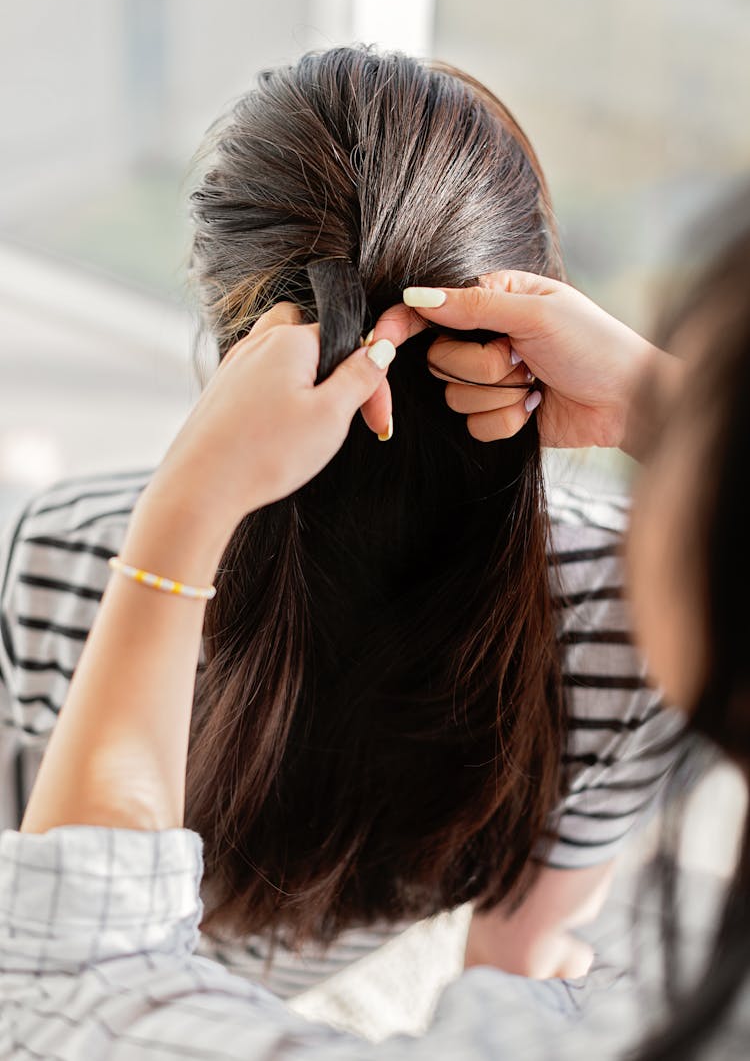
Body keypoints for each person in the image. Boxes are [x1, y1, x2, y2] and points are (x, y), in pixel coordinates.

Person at [2, 186, 750, 1059]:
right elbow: (518, 961)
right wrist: (665, 412)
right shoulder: (614, 628)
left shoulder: (61, 544)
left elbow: (60, 981)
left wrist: (177, 524)